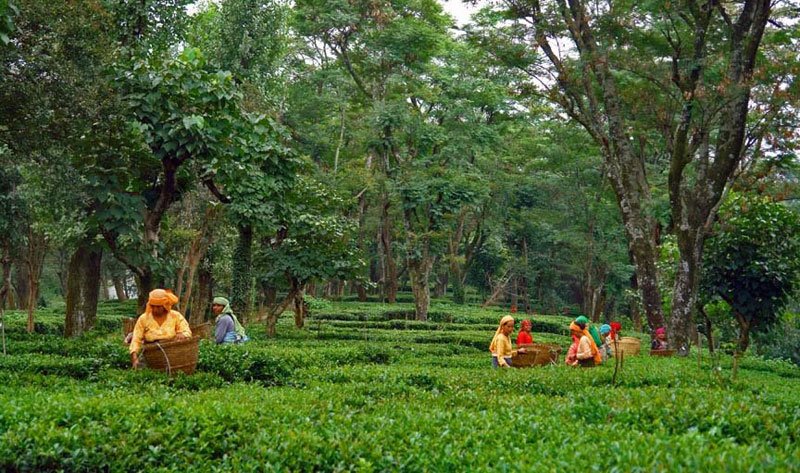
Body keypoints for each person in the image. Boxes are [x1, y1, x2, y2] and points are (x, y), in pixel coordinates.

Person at [129, 289, 192, 369]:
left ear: (165, 305)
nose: (155, 309)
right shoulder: (144, 318)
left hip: (173, 354)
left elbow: (187, 331)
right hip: (150, 355)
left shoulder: (175, 316)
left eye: (158, 307)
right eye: (153, 306)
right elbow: (136, 338)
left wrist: (182, 334)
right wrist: (134, 357)